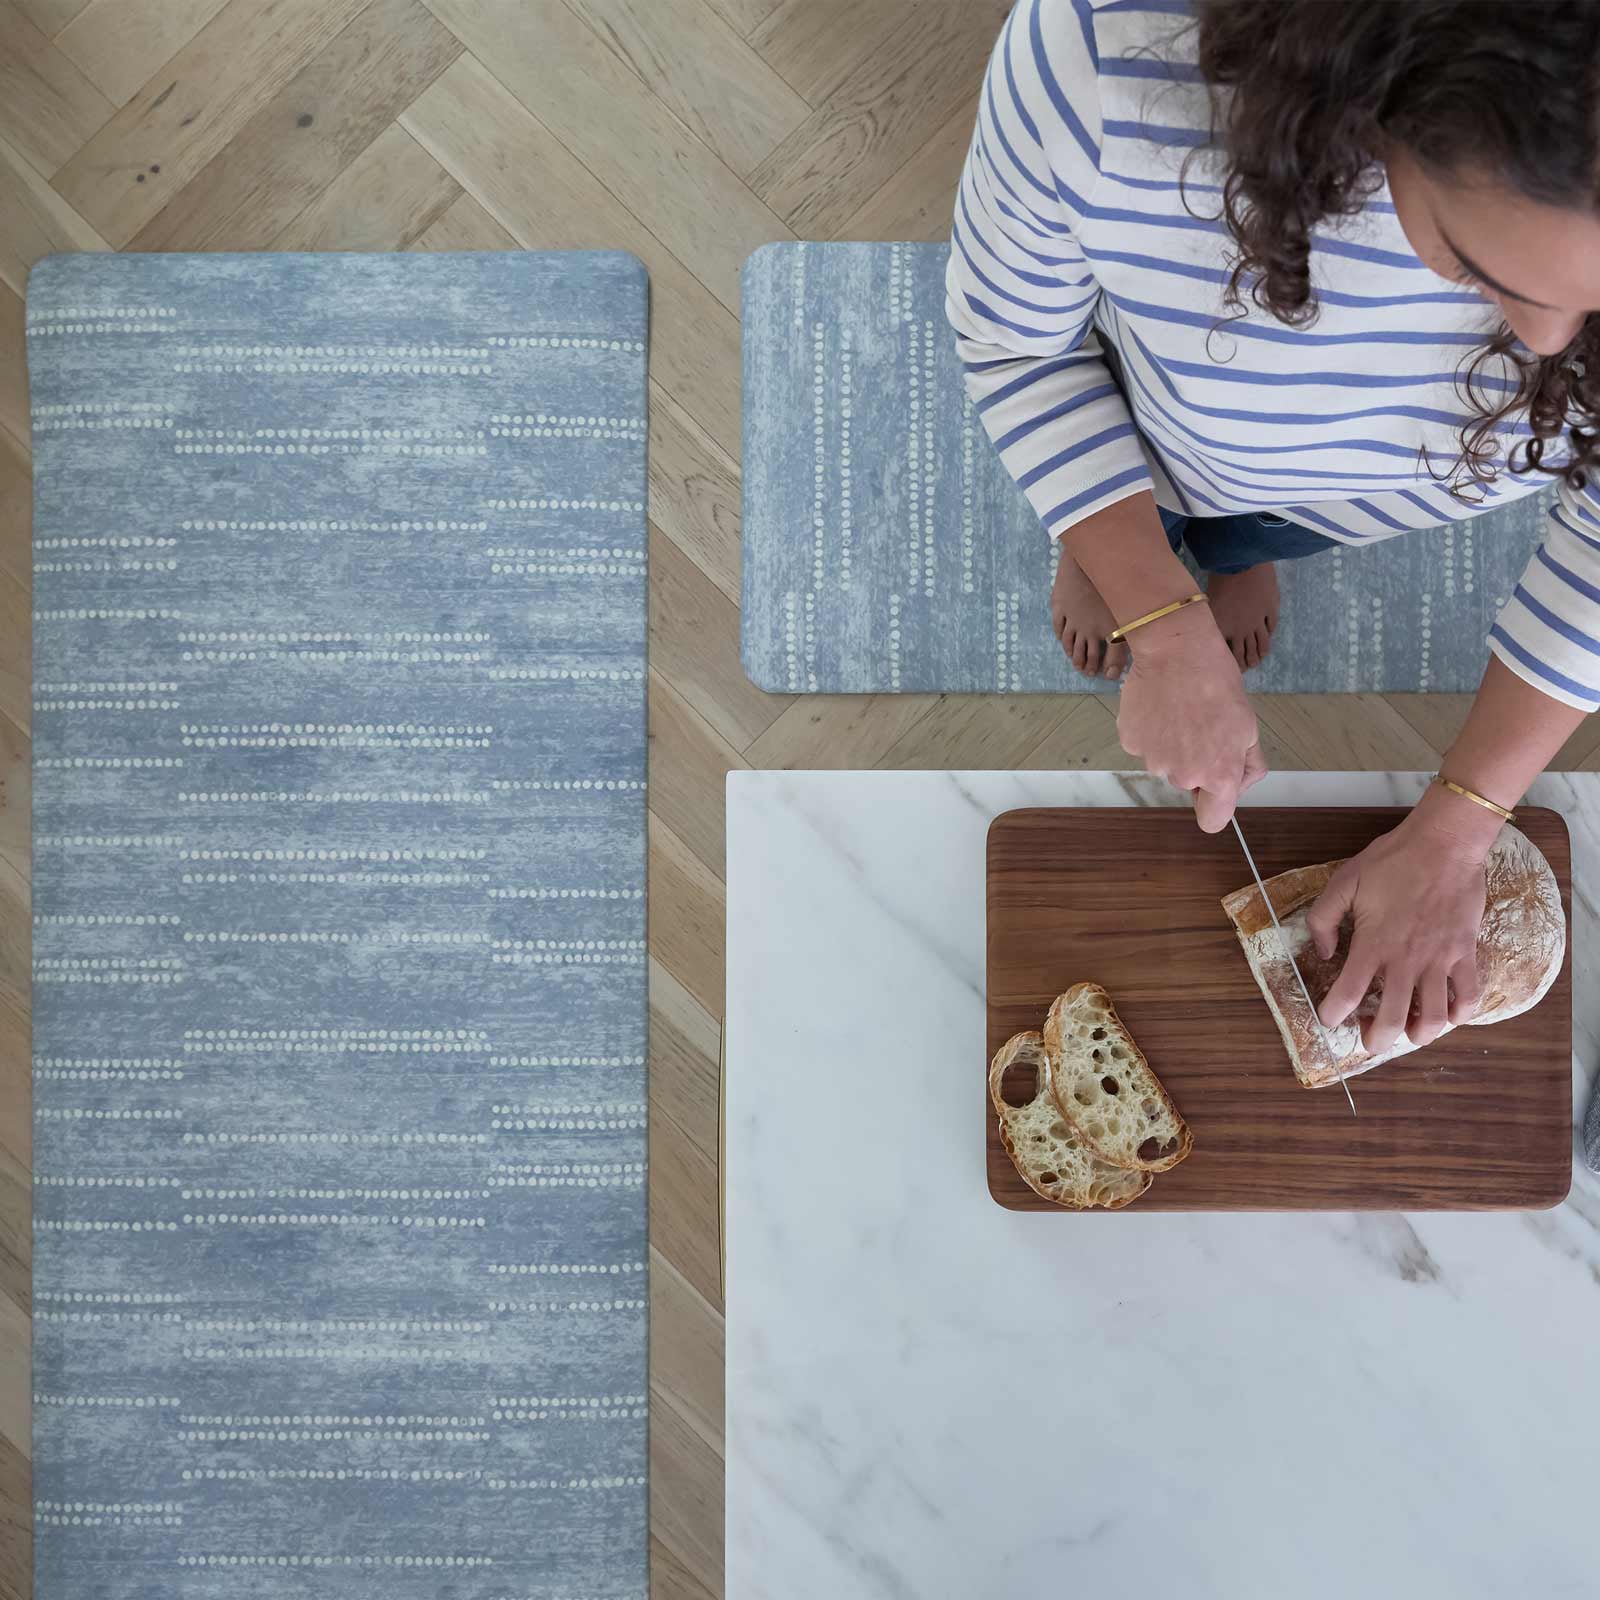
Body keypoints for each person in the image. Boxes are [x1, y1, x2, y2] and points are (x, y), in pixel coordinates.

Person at [947, 0, 1600, 1058]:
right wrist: (1158, 618)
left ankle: (1235, 546)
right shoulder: (1103, 63)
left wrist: (1461, 824)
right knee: (1155, 500)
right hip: (1174, 415)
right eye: (1485, 272)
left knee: (1270, 529)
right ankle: (1126, 544)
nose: (1543, 348)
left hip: (1392, 490)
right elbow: (1021, 351)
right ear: (1388, 95)